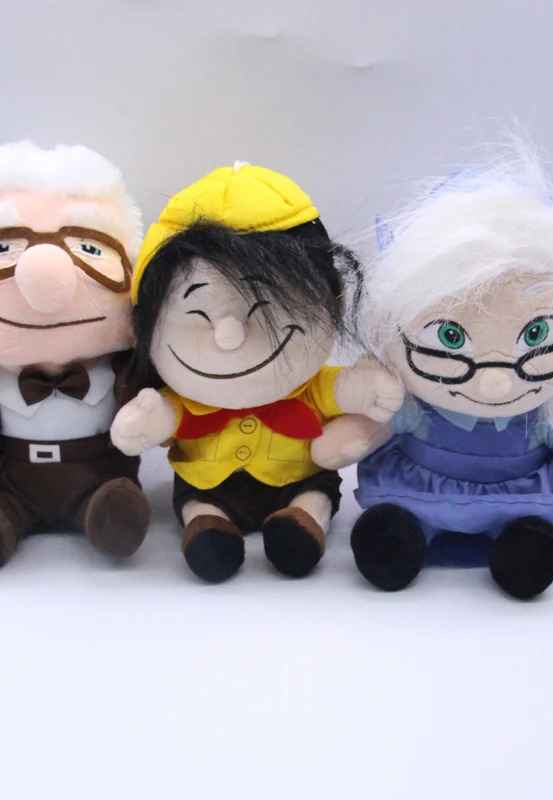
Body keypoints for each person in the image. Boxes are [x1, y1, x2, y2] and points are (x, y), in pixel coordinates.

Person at [311, 151, 553, 599]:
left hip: (517, 501)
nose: (494, 382)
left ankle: (519, 542)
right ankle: (404, 534)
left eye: (537, 333)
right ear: (387, 329)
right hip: (419, 494)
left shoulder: (545, 413)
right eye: (449, 337)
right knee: (389, 539)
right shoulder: (414, 406)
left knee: (528, 549)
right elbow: (368, 431)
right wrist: (347, 441)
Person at [111, 162, 402, 583]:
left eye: (265, 309)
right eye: (198, 314)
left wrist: (366, 389)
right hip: (206, 485)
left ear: (333, 301)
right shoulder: (184, 397)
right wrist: (147, 419)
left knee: (314, 494)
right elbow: (165, 415)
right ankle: (208, 527)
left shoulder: (308, 387)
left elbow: (343, 389)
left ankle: (304, 521)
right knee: (198, 502)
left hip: (297, 479)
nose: (229, 336)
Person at [0, 142, 151, 570]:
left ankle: (108, 513)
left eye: (89, 248)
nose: (43, 272)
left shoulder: (120, 367)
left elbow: (149, 403)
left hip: (98, 475)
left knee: (115, 504)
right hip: (8, 482)